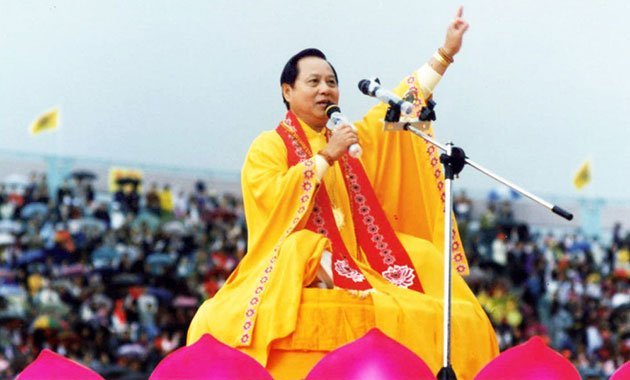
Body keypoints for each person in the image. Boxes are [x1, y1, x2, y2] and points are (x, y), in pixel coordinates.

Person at [188, 7, 498, 379]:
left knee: (424, 254)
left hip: (361, 255)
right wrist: (325, 157)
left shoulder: (350, 137)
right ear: (287, 91)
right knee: (302, 247)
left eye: (331, 82)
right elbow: (269, 198)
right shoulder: (269, 145)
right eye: (313, 82)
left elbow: (395, 108)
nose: (325, 89)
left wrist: (445, 54)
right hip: (303, 258)